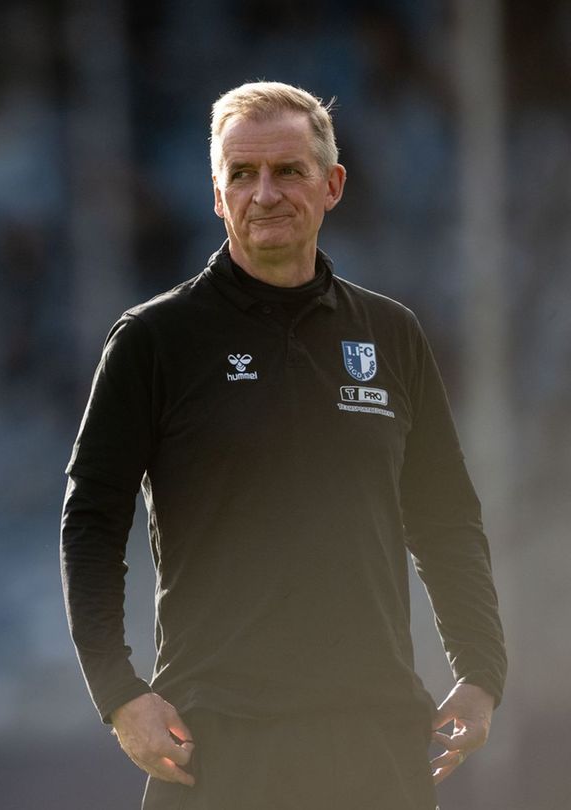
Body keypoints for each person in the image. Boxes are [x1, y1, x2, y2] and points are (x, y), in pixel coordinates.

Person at [60, 81, 507, 809]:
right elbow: (91, 522)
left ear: (332, 185)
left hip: (376, 735)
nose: (264, 193)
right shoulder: (153, 340)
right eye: (242, 174)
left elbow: (446, 518)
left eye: (288, 171)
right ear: (217, 194)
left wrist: (482, 670)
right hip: (215, 742)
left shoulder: (390, 334)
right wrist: (118, 693)